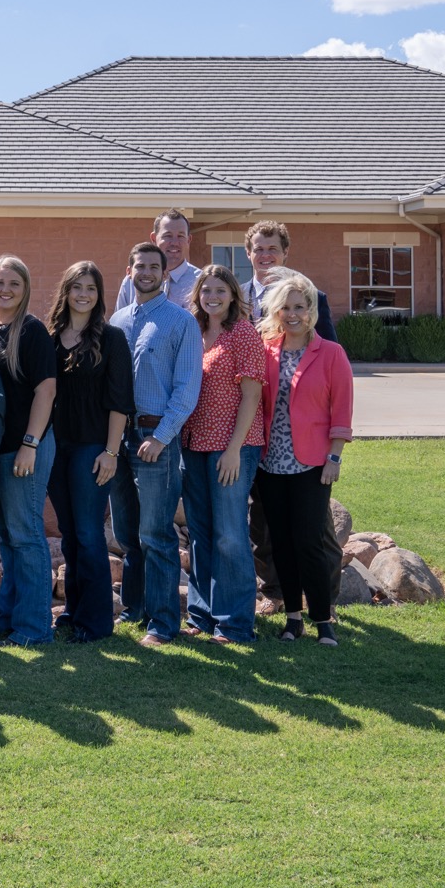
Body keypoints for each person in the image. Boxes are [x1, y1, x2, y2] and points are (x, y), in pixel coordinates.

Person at [111, 241, 204, 644]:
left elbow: (187, 388)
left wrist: (162, 437)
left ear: (165, 274)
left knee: (156, 534)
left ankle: (163, 623)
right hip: (117, 437)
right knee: (127, 534)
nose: (146, 272)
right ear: (129, 271)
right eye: (140, 266)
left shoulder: (181, 322)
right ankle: (134, 609)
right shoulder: (117, 321)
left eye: (154, 266)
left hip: (155, 437)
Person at [257, 271, 356, 647]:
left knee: (310, 542)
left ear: (311, 310)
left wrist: (335, 457)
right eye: (285, 307)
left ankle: (323, 621)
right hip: (270, 464)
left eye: (300, 307)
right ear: (275, 311)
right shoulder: (266, 349)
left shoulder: (330, 353)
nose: (293, 314)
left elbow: (341, 410)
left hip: (312, 464)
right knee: (280, 543)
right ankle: (293, 619)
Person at [180, 264, 268, 643]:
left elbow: (252, 395)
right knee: (200, 532)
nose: (212, 297)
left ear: (233, 294)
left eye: (220, 290)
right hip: (193, 445)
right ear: (197, 295)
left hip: (233, 448)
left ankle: (234, 623)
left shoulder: (243, 333)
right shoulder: (193, 332)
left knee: (229, 534)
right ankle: (202, 616)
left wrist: (233, 450)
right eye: (206, 290)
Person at [0, 254, 58, 646]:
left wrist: (30, 444)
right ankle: (9, 617)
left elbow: (46, 391)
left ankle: (35, 626)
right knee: (5, 534)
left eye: (14, 283)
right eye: (0, 282)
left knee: (25, 534)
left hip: (26, 445)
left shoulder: (32, 331)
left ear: (25, 290)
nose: (5, 290)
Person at [46, 261, 132, 640]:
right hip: (55, 448)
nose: (83, 294)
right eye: (77, 287)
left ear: (99, 295)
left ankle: (95, 623)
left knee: (88, 532)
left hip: (92, 448)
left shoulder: (111, 338)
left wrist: (111, 453)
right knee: (68, 533)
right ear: (66, 292)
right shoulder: (50, 338)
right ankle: (74, 611)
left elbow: (120, 401)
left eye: (91, 288)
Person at [241, 221, 334, 336]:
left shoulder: (313, 297)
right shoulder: (235, 297)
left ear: (285, 252)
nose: (265, 255)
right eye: (259, 249)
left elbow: (328, 344)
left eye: (272, 248)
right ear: (248, 253)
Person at [116, 209, 200, 312]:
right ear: (154, 238)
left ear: (189, 240)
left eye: (180, 236)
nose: (175, 242)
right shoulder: (132, 281)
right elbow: (120, 320)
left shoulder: (200, 282)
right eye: (168, 236)